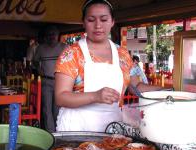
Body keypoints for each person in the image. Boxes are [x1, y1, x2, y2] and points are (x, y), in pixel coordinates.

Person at [54, 0, 162, 132]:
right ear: (83, 22)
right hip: (77, 127)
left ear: (112, 22)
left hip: (112, 127)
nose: (98, 25)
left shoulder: (123, 54)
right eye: (91, 19)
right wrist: (95, 96)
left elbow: (136, 87)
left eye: (104, 19)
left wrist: (168, 91)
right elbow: (60, 97)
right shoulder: (72, 54)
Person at [33, 25, 67, 132]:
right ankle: (51, 134)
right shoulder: (41, 48)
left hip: (60, 82)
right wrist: (38, 69)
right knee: (47, 109)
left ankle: (58, 131)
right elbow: (34, 61)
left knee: (57, 109)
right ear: (46, 36)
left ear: (58, 35)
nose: (52, 36)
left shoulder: (64, 47)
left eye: (54, 34)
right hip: (46, 81)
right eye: (49, 34)